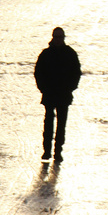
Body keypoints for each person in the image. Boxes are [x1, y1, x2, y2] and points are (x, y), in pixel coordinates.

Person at [34, 26, 80, 161]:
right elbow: (38, 73)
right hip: (49, 94)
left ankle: (57, 152)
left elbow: (76, 73)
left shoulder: (70, 54)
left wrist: (71, 88)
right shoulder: (45, 54)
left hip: (64, 95)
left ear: (63, 38)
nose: (58, 39)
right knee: (48, 123)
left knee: (61, 125)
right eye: (56, 37)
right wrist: (42, 88)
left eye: (60, 37)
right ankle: (46, 151)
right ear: (52, 38)